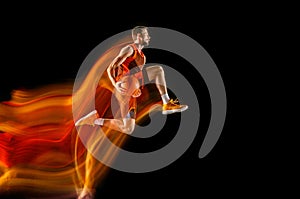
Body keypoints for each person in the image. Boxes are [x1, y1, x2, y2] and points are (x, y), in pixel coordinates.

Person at [75, 25, 188, 131]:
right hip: (123, 86)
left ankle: (95, 119)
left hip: (129, 90)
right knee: (157, 70)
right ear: (139, 37)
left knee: (127, 128)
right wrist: (115, 84)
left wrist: (137, 88)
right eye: (146, 34)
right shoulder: (129, 49)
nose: (149, 37)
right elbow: (111, 67)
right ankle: (166, 103)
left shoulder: (142, 57)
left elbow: (138, 78)